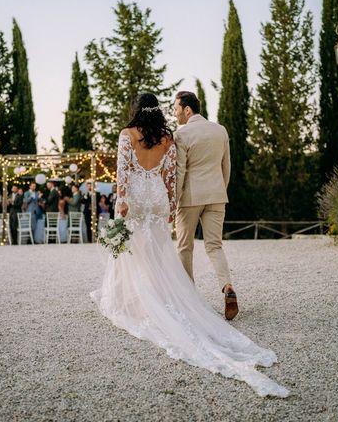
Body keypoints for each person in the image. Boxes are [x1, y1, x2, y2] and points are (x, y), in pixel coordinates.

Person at [91, 93, 288, 398]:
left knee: (158, 248)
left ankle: (157, 296)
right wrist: (171, 203)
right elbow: (172, 176)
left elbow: (123, 174)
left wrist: (125, 202)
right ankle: (202, 292)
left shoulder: (128, 135)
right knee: (195, 247)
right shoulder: (174, 138)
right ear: (158, 112)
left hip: (143, 197)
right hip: (169, 196)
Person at [173, 91, 238, 320]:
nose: (175, 112)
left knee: (184, 246)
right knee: (214, 245)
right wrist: (220, 189)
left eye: (176, 108)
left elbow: (180, 170)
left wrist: (175, 200)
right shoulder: (220, 130)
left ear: (187, 109)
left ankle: (188, 297)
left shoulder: (181, 135)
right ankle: (227, 285)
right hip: (217, 194)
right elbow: (226, 165)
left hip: (190, 197)